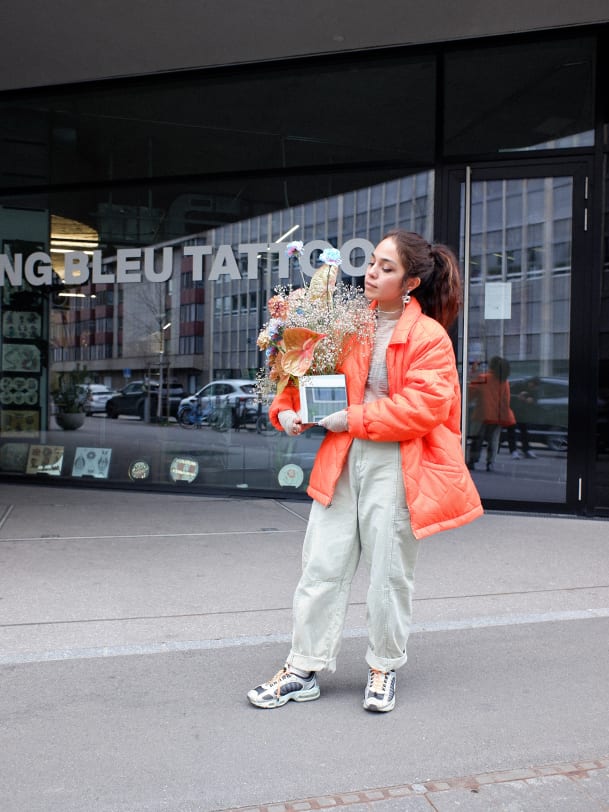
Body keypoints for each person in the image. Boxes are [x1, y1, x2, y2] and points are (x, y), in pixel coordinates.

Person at [247, 229, 483, 713]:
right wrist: (286, 409)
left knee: (389, 574)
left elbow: (423, 409)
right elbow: (307, 369)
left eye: (386, 267)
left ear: (411, 283)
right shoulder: (349, 322)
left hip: (396, 461)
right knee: (321, 567)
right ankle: (302, 668)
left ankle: (383, 667)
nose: (372, 273)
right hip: (341, 455)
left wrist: (352, 418)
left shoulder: (429, 337)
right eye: (373, 262)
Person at [467, 356, 516, 472]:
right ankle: (490, 462)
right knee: (493, 440)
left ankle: (473, 460)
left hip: (482, 414)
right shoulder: (504, 382)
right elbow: (506, 400)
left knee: (477, 439)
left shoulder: (483, 378)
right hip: (497, 416)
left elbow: (470, 394)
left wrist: (473, 372)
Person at [507, 376, 540, 459]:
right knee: (512, 431)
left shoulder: (534, 390)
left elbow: (535, 400)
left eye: (535, 387)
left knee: (524, 432)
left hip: (523, 413)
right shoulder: (518, 385)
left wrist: (532, 400)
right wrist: (517, 396)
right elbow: (508, 394)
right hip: (513, 411)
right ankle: (513, 451)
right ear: (530, 383)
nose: (533, 388)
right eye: (533, 385)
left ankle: (526, 449)